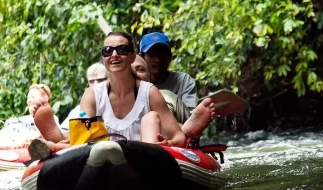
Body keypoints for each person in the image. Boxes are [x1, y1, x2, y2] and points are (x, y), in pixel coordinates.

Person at [31, 31, 214, 155]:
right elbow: (82, 141)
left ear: (133, 57)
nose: (114, 54)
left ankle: (55, 143)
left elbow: (177, 136)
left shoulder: (150, 93)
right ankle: (56, 138)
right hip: (102, 154)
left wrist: (170, 144)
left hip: (143, 155)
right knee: (83, 138)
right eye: (108, 51)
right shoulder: (92, 95)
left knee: (150, 117)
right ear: (103, 59)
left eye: (122, 50)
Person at [140, 32, 198, 109]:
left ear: (170, 57)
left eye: (162, 54)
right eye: (152, 54)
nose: (157, 60)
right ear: (142, 57)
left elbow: (191, 114)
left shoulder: (183, 81)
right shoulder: (135, 84)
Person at [132, 54, 191, 124]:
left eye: (140, 70)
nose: (134, 74)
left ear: (148, 75)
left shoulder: (167, 97)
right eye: (129, 71)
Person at [60, 63, 109, 131]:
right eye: (92, 81)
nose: (96, 84)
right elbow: (64, 131)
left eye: (100, 80)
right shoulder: (79, 110)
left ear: (109, 80)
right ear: (88, 84)